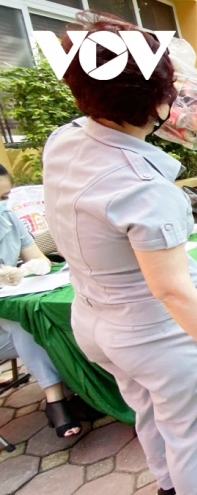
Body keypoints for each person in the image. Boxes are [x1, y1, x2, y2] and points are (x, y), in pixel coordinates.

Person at [42, 13, 197, 495]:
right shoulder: (145, 187)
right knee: (192, 441)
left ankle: (167, 485)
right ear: (161, 100)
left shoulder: (62, 141)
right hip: (157, 335)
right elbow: (171, 290)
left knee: (148, 411)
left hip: (94, 321)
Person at [0, 167, 81, 439]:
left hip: (14, 301)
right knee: (23, 322)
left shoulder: (8, 217)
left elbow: (37, 257)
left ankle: (81, 387)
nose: (2, 203)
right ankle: (55, 399)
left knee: (55, 314)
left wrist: (36, 265)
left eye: (5, 196)